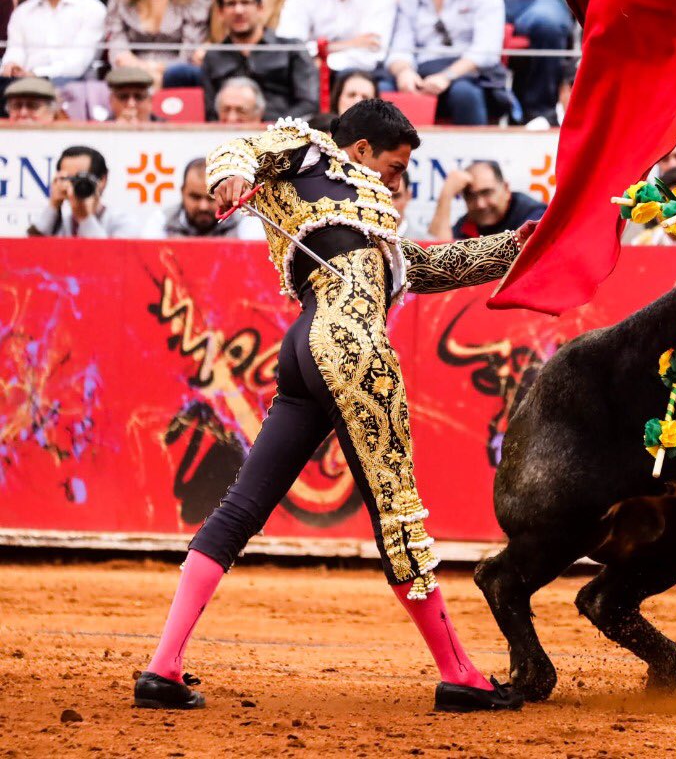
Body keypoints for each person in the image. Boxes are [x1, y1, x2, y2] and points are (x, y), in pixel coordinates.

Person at [133, 100, 528, 714]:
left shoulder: (373, 227)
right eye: (396, 168)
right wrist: (230, 178)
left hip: (303, 351)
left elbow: (425, 265)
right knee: (397, 513)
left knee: (241, 507)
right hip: (349, 347)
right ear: (362, 150)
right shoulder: (309, 155)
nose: (399, 183)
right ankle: (460, 674)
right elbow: (238, 151)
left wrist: (512, 247)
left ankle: (164, 667)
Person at [389, 0, 504, 126]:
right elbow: (400, 47)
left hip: (470, 75)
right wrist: (404, 71)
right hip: (421, 73)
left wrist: (446, 76)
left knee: (464, 93)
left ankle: (477, 157)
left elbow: (486, 51)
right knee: (383, 88)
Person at [203, 0, 319, 121]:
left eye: (245, 2)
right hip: (230, 137)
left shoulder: (291, 49)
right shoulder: (214, 56)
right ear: (220, 12)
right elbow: (210, 112)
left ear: (260, 7)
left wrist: (273, 130)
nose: (238, 10)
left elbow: (309, 104)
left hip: (283, 137)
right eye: (231, 4)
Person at [28, 145, 136, 237]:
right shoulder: (58, 224)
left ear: (102, 180)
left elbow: (106, 257)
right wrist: (53, 206)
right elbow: (27, 252)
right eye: (69, 179)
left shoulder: (121, 222)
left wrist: (85, 218)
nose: (75, 186)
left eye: (81, 179)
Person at [140, 158, 261, 238]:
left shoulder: (244, 222)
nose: (203, 206)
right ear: (182, 192)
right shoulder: (161, 222)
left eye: (211, 198)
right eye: (195, 197)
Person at [428, 159, 546, 241]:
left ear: (506, 189)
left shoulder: (534, 215)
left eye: (487, 192)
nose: (480, 204)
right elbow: (438, 258)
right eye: (471, 196)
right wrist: (446, 195)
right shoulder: (467, 223)